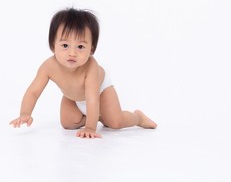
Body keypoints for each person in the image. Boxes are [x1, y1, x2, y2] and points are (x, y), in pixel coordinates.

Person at [9, 8, 157, 138]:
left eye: (80, 46)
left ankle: (138, 117)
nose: (72, 53)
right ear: (53, 45)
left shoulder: (91, 66)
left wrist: (90, 128)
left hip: (100, 92)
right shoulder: (48, 66)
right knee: (67, 123)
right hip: (73, 97)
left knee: (115, 122)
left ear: (91, 50)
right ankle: (98, 117)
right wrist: (25, 113)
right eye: (65, 45)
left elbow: (92, 98)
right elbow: (33, 92)